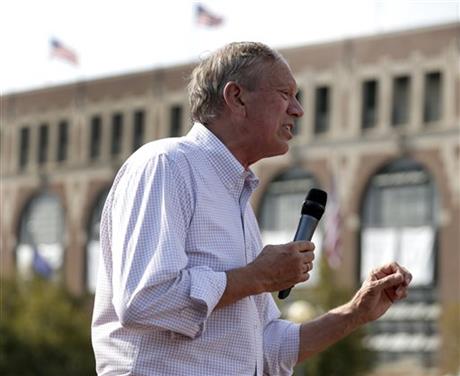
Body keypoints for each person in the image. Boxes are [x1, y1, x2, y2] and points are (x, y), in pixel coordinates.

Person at [91, 42, 412, 376]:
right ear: (237, 98)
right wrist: (256, 276)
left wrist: (356, 312)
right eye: (285, 94)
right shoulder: (166, 165)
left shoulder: (235, 197)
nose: (298, 110)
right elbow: (145, 299)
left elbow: (266, 348)